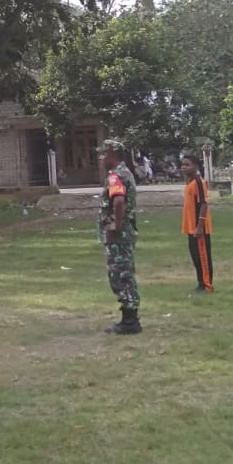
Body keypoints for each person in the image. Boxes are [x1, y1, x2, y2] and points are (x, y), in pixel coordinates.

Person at [99, 141, 141, 335]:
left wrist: (116, 223)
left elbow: (119, 200)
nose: (100, 159)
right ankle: (129, 318)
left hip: (119, 236)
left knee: (121, 275)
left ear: (111, 155)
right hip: (126, 233)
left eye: (103, 155)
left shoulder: (116, 176)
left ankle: (130, 321)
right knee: (126, 273)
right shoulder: (127, 173)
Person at [181, 152, 215, 295]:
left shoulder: (199, 182)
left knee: (203, 257)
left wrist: (200, 226)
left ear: (195, 166)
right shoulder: (189, 182)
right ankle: (200, 283)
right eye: (182, 165)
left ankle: (206, 285)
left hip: (199, 228)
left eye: (187, 165)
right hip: (190, 228)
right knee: (196, 258)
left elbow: (203, 204)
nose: (183, 167)